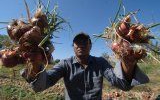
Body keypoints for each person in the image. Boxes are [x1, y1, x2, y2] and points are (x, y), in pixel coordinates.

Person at [21, 32, 149, 100]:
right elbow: (42, 85)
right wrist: (35, 63)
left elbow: (122, 85)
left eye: (85, 42)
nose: (81, 44)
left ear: (90, 46)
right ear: (73, 47)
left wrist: (128, 62)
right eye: (77, 42)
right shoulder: (65, 64)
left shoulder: (101, 62)